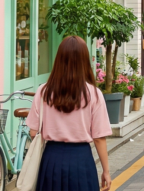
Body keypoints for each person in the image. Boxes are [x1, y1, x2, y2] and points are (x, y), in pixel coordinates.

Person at [28, 36, 112, 191]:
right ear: (84, 61)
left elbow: (34, 132)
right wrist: (106, 171)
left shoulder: (43, 91)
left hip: (51, 160)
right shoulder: (93, 93)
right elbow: (99, 138)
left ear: (59, 59)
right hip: (81, 161)